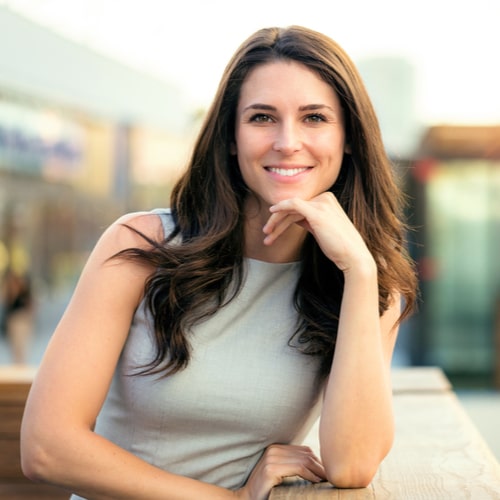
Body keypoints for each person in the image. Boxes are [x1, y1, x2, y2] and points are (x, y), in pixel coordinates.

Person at [20, 25, 418, 499]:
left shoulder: (368, 284)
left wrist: (358, 268)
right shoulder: (143, 246)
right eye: (262, 117)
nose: (288, 142)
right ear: (231, 137)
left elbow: (352, 464)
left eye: (314, 118)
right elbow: (46, 447)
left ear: (349, 138)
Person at [1, 267, 34, 364]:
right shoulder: (9, 291)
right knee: (15, 346)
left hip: (22, 319)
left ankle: (21, 364)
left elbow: (30, 305)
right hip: (13, 320)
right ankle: (17, 363)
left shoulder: (25, 290)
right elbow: (7, 305)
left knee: (22, 345)